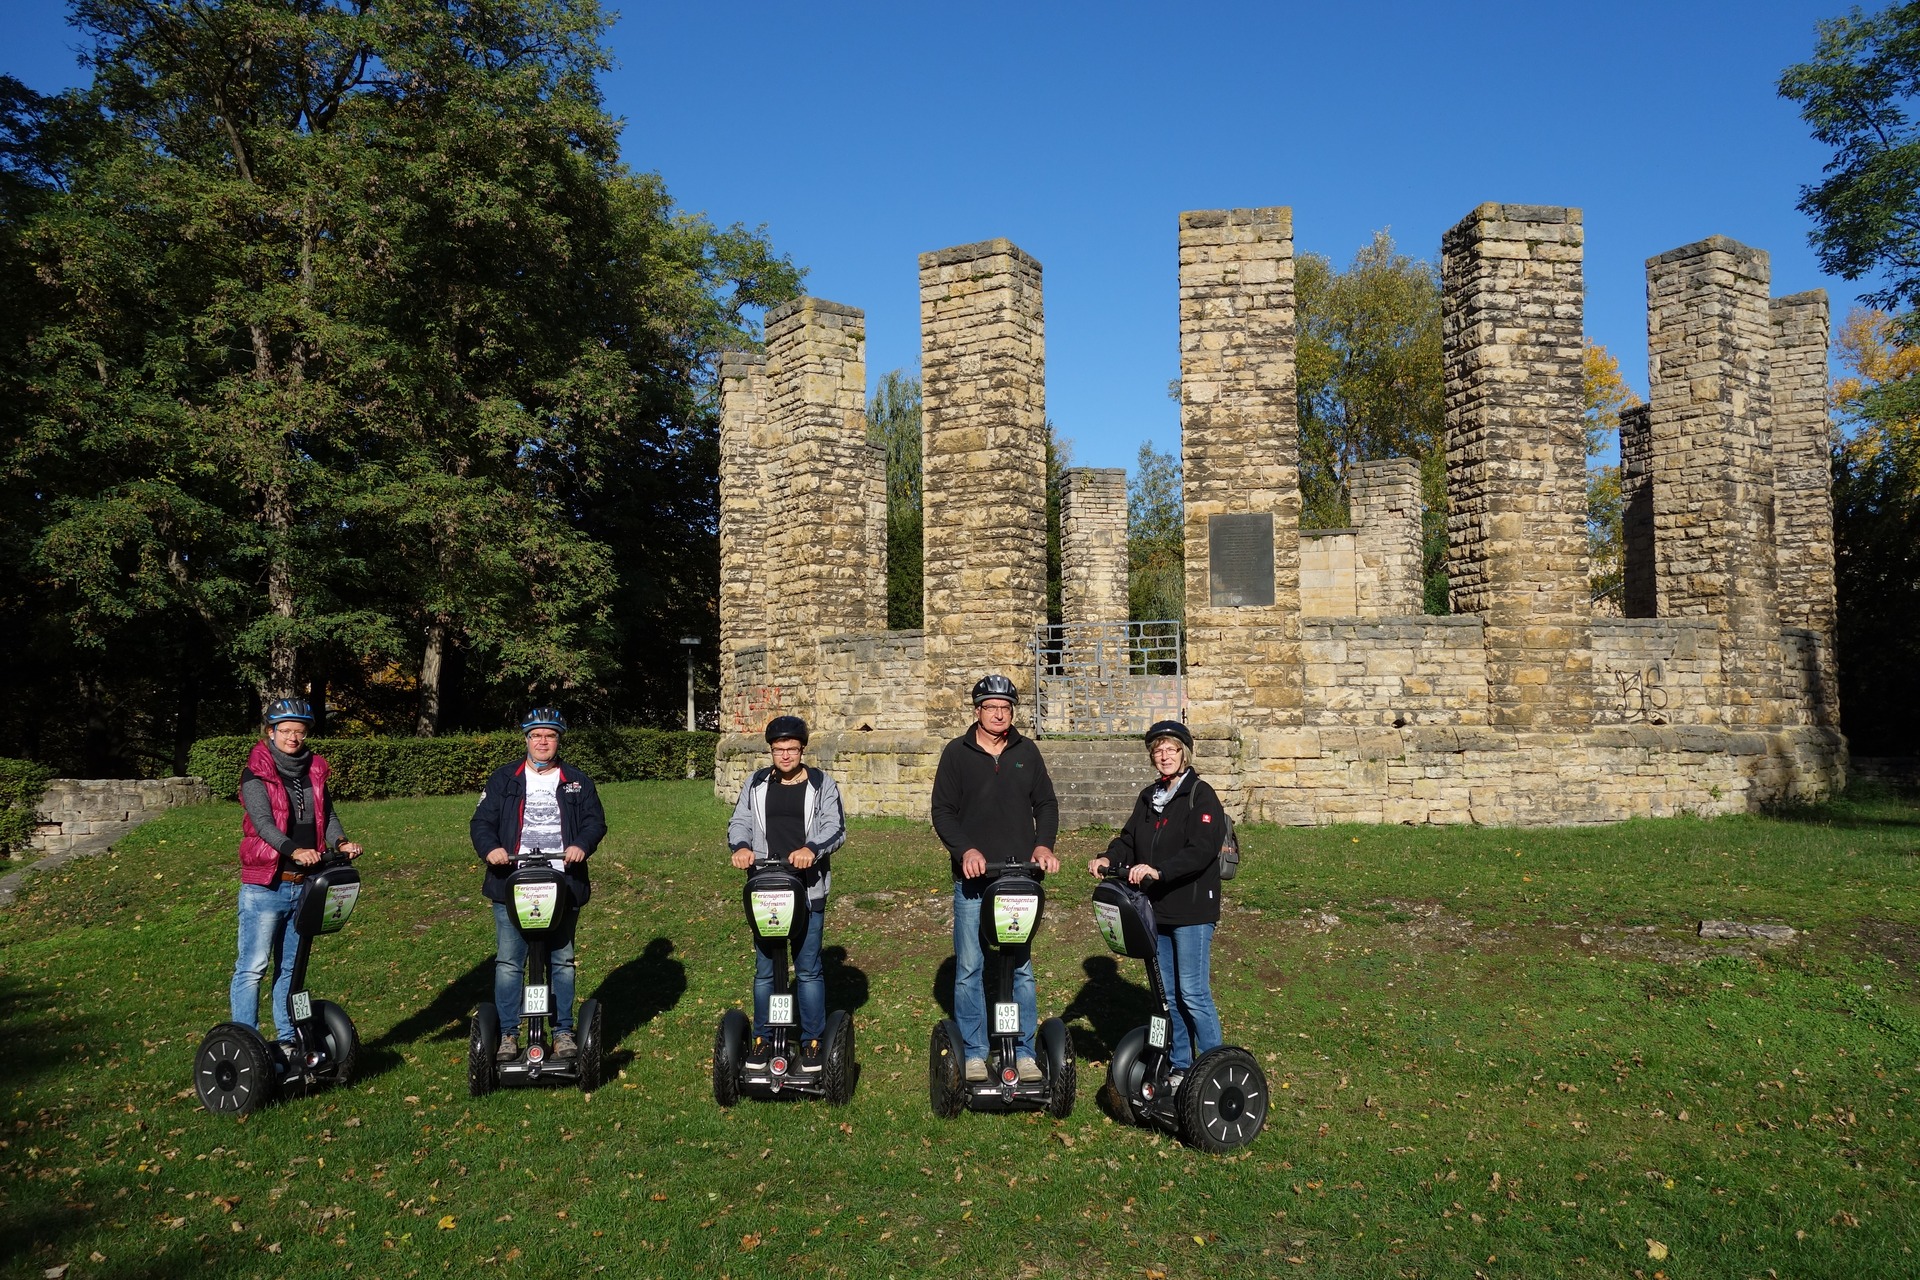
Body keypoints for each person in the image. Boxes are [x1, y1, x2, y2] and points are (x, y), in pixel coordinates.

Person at [930, 673, 1060, 1083]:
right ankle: (974, 1052)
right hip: (973, 881)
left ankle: (1023, 1051)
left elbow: (1046, 803)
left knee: (1019, 967)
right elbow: (942, 811)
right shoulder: (957, 753)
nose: (999, 714)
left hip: (1019, 880)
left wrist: (1043, 846)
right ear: (978, 711)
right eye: (991, 708)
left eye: (1006, 708)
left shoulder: (1027, 751)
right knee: (970, 966)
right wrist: (965, 850)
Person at [1087, 720, 1226, 1078]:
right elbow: (1129, 839)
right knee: (1168, 997)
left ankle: (1215, 1069)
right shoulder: (1150, 797)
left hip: (1192, 909)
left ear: (1184, 754)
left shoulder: (1200, 794)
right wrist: (1108, 857)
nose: (1164, 756)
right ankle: (1181, 1067)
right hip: (1156, 910)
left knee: (1193, 993)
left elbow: (1201, 849)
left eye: (1170, 749)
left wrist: (1159, 871)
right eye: (1158, 751)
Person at [470, 707, 607, 1062]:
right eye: (536, 735)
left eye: (550, 736)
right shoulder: (504, 779)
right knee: (509, 962)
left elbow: (595, 822)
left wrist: (581, 845)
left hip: (563, 883)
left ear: (558, 740)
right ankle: (508, 1034)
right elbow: (481, 822)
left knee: (561, 960)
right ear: (526, 739)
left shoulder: (577, 781)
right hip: (512, 882)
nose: (542, 742)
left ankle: (562, 1032)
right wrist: (491, 849)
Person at [230, 698, 362, 1050]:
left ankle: (288, 1040)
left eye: (299, 732)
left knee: (291, 967)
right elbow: (262, 823)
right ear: (270, 732)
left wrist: (341, 842)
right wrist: (294, 850)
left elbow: (327, 815)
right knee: (253, 967)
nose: (292, 737)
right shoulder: (255, 772)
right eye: (285, 730)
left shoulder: (314, 769)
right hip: (266, 885)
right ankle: (247, 1044)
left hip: (305, 885)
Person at [726, 715, 847, 1072]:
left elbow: (836, 827)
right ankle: (763, 1038)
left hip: (807, 888)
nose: (785, 756)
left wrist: (812, 848)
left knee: (807, 969)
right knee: (765, 969)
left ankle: (812, 1040)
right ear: (771, 750)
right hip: (767, 888)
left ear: (802, 749)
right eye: (778, 749)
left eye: (791, 749)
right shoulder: (756, 783)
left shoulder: (822, 784)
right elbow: (739, 821)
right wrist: (741, 847)